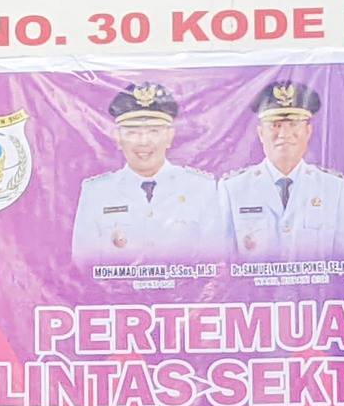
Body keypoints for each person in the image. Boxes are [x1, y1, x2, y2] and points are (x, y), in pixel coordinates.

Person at [70, 81, 230, 267]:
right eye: (133, 132)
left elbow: (215, 260)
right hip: (119, 287)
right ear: (118, 138)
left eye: (154, 131)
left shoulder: (200, 188)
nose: (144, 142)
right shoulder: (96, 192)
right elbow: (84, 264)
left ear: (169, 137)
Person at [221, 81, 344, 262]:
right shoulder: (233, 189)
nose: (284, 134)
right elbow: (224, 262)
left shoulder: (333, 187)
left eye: (294, 124)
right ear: (261, 133)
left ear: (308, 131)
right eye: (275, 125)